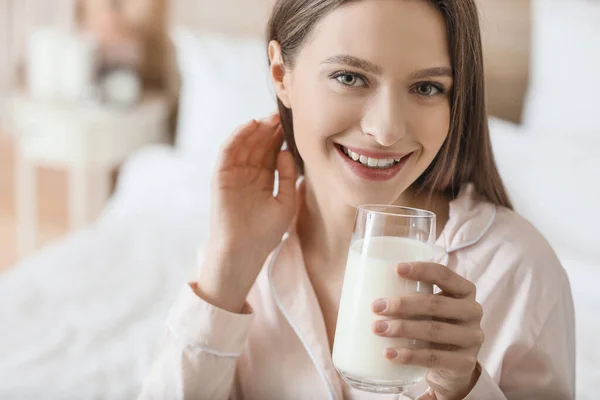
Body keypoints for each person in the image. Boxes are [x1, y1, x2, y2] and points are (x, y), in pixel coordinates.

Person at [140, 0, 575, 399]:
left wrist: (463, 390)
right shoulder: (239, 254)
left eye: (426, 88)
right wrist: (226, 273)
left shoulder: (516, 271)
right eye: (349, 77)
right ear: (280, 75)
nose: (387, 130)